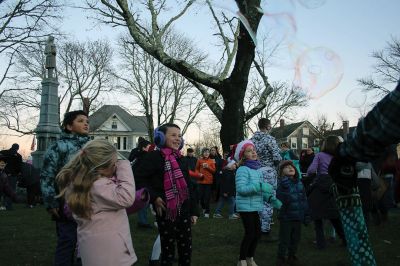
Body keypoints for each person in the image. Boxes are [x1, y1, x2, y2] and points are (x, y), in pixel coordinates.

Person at [56, 139, 137, 266]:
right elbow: (126, 197)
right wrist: (124, 165)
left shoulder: (77, 183)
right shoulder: (98, 186)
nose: (116, 166)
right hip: (112, 254)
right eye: (114, 163)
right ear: (102, 168)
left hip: (92, 250)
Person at [134, 123, 199, 266]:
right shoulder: (154, 157)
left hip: (184, 209)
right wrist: (154, 197)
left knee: (186, 247)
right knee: (168, 248)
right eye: (173, 135)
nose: (178, 139)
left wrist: (194, 211)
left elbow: (188, 187)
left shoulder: (181, 159)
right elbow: (138, 179)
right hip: (164, 210)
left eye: (179, 136)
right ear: (161, 138)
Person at [40, 110, 90, 266]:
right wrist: (51, 202)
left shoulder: (91, 146)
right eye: (80, 121)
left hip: (89, 201)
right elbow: (47, 176)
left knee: (87, 243)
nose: (86, 123)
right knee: (68, 240)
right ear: (69, 126)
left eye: (87, 121)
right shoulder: (58, 147)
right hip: (65, 202)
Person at [234, 140, 281, 266]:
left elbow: (260, 190)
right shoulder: (242, 169)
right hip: (245, 207)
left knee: (257, 234)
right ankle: (241, 260)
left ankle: (250, 258)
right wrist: (259, 185)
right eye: (249, 151)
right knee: (250, 234)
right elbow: (241, 190)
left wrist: (271, 199)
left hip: (254, 206)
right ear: (243, 156)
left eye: (254, 150)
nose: (253, 152)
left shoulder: (257, 170)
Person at [306, 136, 346, 250]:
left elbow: (311, 170)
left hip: (320, 184)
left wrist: (309, 176)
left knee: (317, 217)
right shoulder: (340, 157)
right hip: (334, 185)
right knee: (335, 216)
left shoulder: (319, 155)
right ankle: (345, 239)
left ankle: (321, 244)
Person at [251, 118, 281, 239]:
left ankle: (256, 228)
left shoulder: (252, 140)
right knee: (268, 201)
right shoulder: (270, 139)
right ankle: (265, 231)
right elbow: (277, 157)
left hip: (255, 172)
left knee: (257, 200)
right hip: (268, 171)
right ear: (268, 126)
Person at [276, 160, 310, 266]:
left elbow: (304, 199)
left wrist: (306, 214)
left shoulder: (299, 183)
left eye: (292, 166)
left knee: (295, 239)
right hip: (286, 217)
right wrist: (285, 188)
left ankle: (292, 256)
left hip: (297, 216)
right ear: (282, 172)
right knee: (284, 239)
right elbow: (281, 200)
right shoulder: (282, 184)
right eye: (287, 167)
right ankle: (281, 258)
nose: (291, 168)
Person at [131, 137, 152, 228]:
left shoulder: (149, 155)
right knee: (144, 201)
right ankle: (142, 222)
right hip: (140, 181)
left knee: (147, 201)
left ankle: (142, 220)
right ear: (143, 147)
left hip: (147, 181)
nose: (150, 148)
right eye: (149, 146)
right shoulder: (138, 154)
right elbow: (130, 159)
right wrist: (140, 151)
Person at [213, 152, 239, 220]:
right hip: (228, 191)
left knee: (221, 201)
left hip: (228, 191)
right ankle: (231, 214)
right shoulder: (227, 173)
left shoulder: (231, 172)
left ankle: (217, 213)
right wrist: (226, 192)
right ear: (230, 166)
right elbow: (226, 184)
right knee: (232, 202)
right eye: (234, 165)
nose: (235, 166)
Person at [0, 143, 23, 210]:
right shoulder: (19, 156)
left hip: (3, 174)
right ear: (17, 148)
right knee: (11, 190)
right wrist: (17, 174)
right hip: (13, 175)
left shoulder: (4, 152)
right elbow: (19, 167)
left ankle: (3, 205)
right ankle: (8, 205)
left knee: (3, 189)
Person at [195, 147, 216, 218]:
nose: (206, 153)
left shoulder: (211, 161)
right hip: (200, 181)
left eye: (207, 152)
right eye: (205, 152)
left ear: (209, 153)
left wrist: (208, 167)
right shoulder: (199, 160)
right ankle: (203, 208)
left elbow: (214, 171)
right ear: (202, 153)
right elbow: (196, 169)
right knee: (201, 197)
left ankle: (207, 212)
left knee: (207, 198)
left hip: (208, 182)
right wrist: (198, 174)